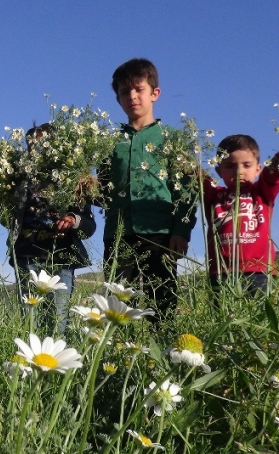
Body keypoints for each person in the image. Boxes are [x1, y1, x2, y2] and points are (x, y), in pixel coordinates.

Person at [99, 58, 196, 322]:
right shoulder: (109, 142)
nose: (132, 96)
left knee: (161, 305)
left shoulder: (172, 139)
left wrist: (181, 231)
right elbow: (102, 190)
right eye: (123, 92)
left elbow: (186, 191)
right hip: (119, 235)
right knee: (115, 309)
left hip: (160, 235)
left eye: (138, 89)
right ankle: (114, 359)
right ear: (117, 99)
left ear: (154, 93)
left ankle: (161, 359)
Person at [9, 123, 97, 331]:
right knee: (30, 320)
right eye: (31, 147)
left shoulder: (74, 183)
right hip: (26, 256)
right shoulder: (20, 183)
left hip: (61, 259)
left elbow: (89, 226)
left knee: (58, 321)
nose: (35, 152)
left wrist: (72, 220)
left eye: (41, 147)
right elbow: (9, 220)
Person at [204, 134, 279, 297]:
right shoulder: (213, 195)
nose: (239, 171)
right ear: (218, 170)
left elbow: (275, 172)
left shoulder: (263, 192)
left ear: (258, 169)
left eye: (247, 165)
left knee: (260, 319)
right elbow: (196, 176)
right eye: (230, 166)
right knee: (223, 320)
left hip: (259, 272)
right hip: (222, 273)